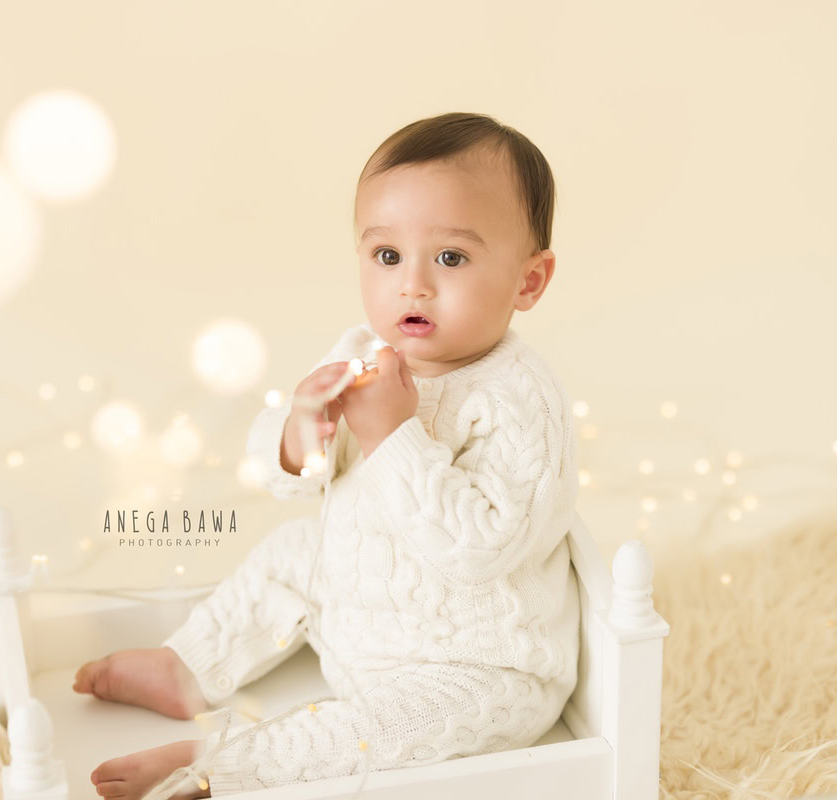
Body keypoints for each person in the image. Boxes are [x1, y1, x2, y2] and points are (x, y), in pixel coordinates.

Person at [73, 111, 581, 799]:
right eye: (387, 256)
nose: (413, 285)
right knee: (289, 551)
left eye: (451, 258)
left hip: (473, 663)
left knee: (383, 729)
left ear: (529, 281)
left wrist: (393, 436)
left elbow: (479, 551)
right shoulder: (359, 356)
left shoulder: (521, 402)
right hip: (359, 612)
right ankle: (186, 665)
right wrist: (298, 434)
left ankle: (218, 764)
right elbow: (292, 485)